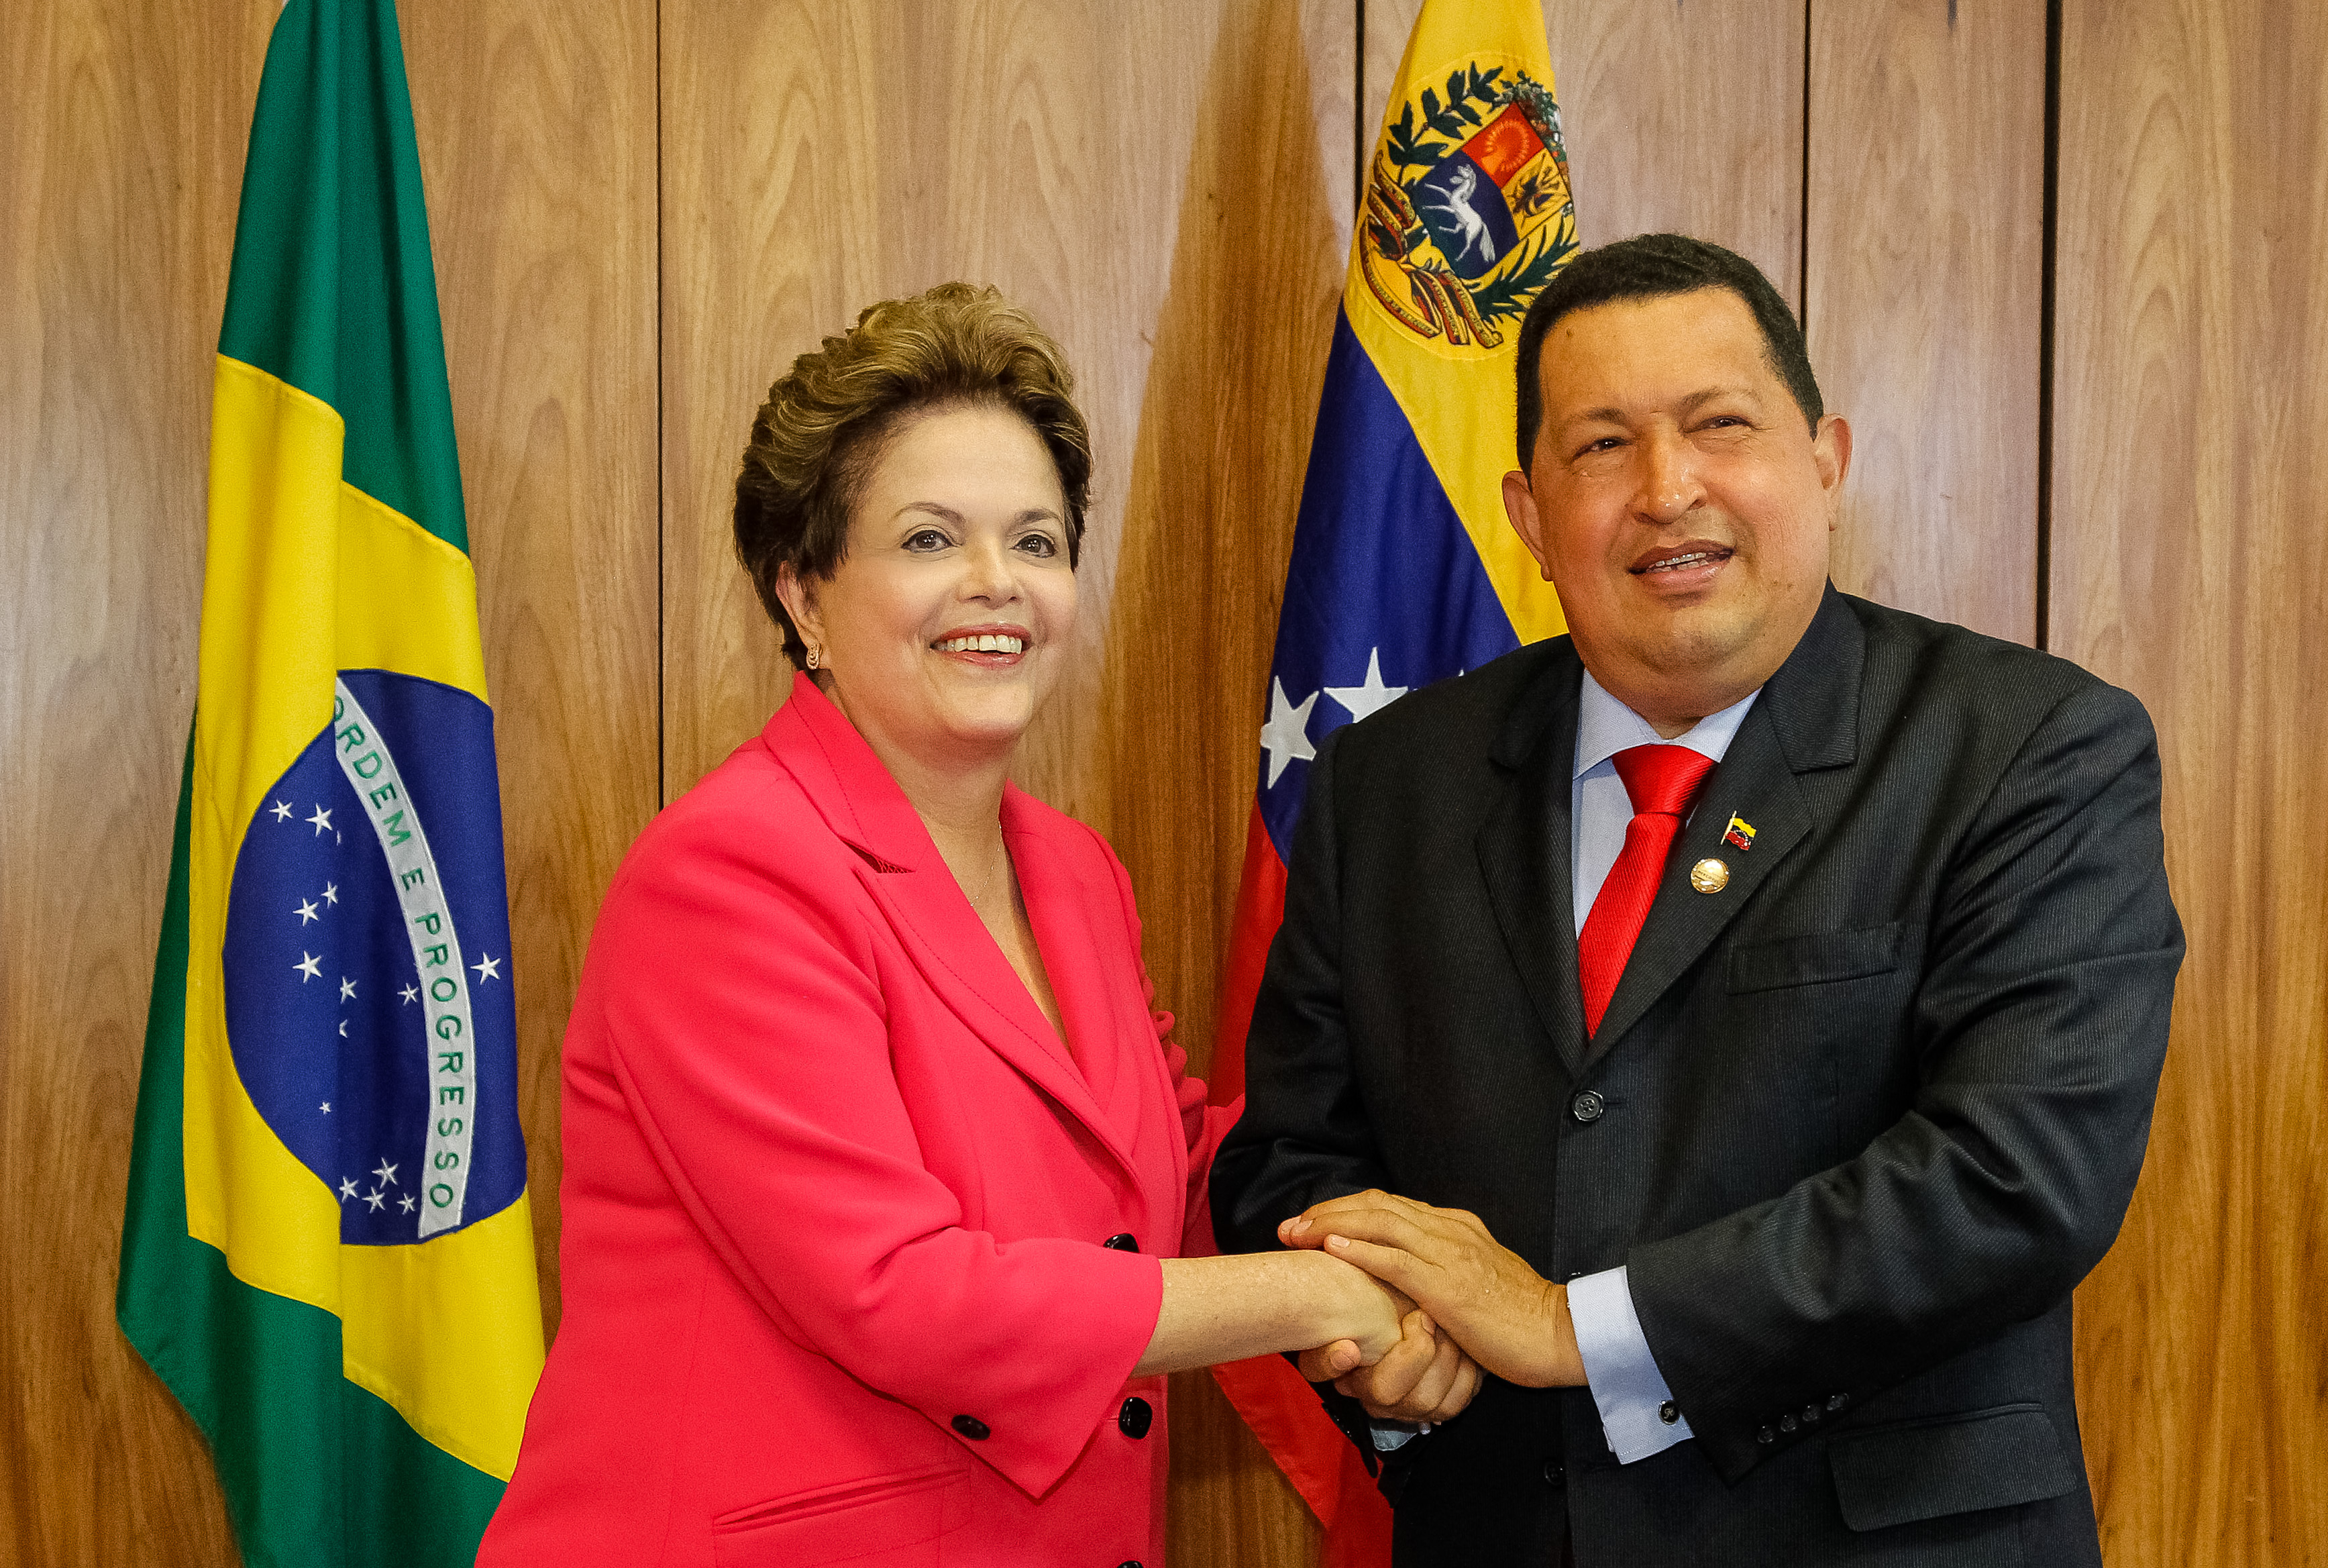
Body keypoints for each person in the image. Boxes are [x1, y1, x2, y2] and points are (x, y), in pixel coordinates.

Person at [1211, 234, 2184, 1565]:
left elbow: (2018, 1175)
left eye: (1718, 424)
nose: (1667, 488)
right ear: (1525, 509)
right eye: (1601, 446)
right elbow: (1290, 1152)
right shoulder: (1395, 778)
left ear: (1824, 460)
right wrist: (1373, 1321)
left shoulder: (2022, 748)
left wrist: (1577, 1325)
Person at [479, 284, 1474, 1568]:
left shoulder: (1073, 874)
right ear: (802, 595)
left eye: (1038, 540)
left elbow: (1177, 1174)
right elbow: (903, 1294)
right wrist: (1320, 1295)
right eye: (930, 539)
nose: (996, 584)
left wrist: (1436, 1232)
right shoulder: (727, 873)